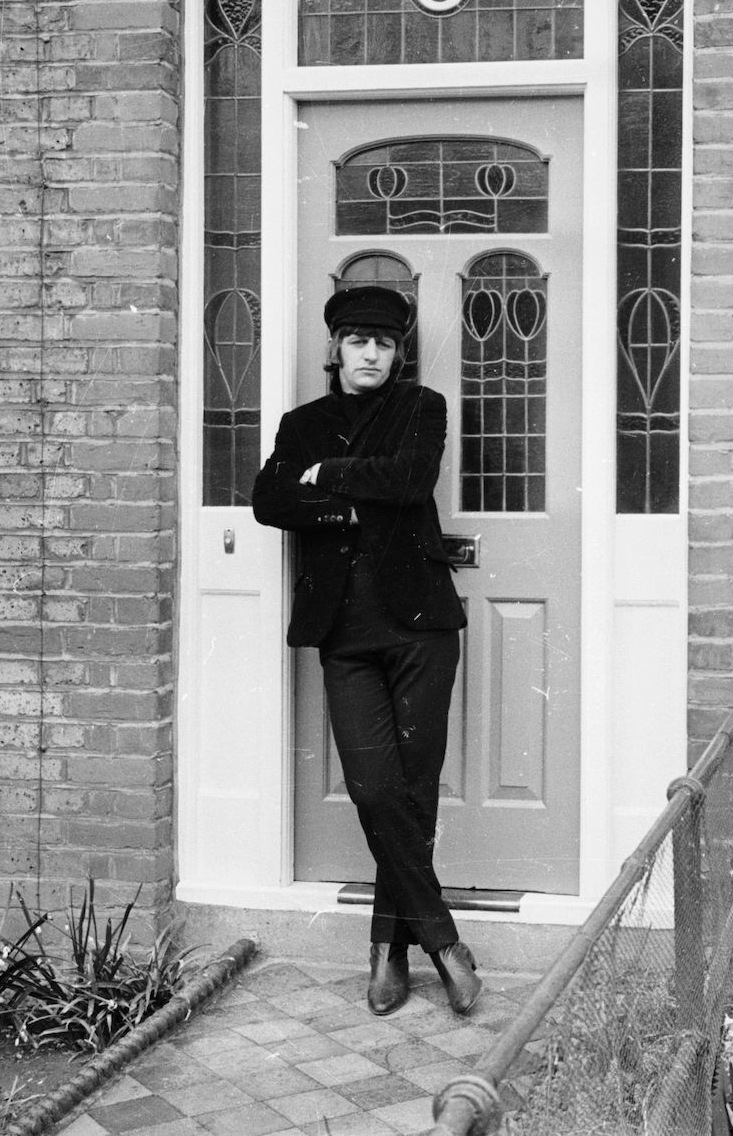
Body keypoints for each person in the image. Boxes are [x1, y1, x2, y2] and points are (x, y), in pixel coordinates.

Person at [252, 285, 479, 1015]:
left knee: (411, 794)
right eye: (357, 340)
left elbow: (412, 478)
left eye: (382, 342)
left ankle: (386, 950)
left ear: (397, 351)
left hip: (420, 628)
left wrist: (331, 477)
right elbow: (270, 501)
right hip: (343, 635)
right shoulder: (303, 422)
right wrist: (351, 499)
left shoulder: (422, 408)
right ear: (336, 348)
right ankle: (442, 940)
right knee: (374, 788)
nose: (371, 353)